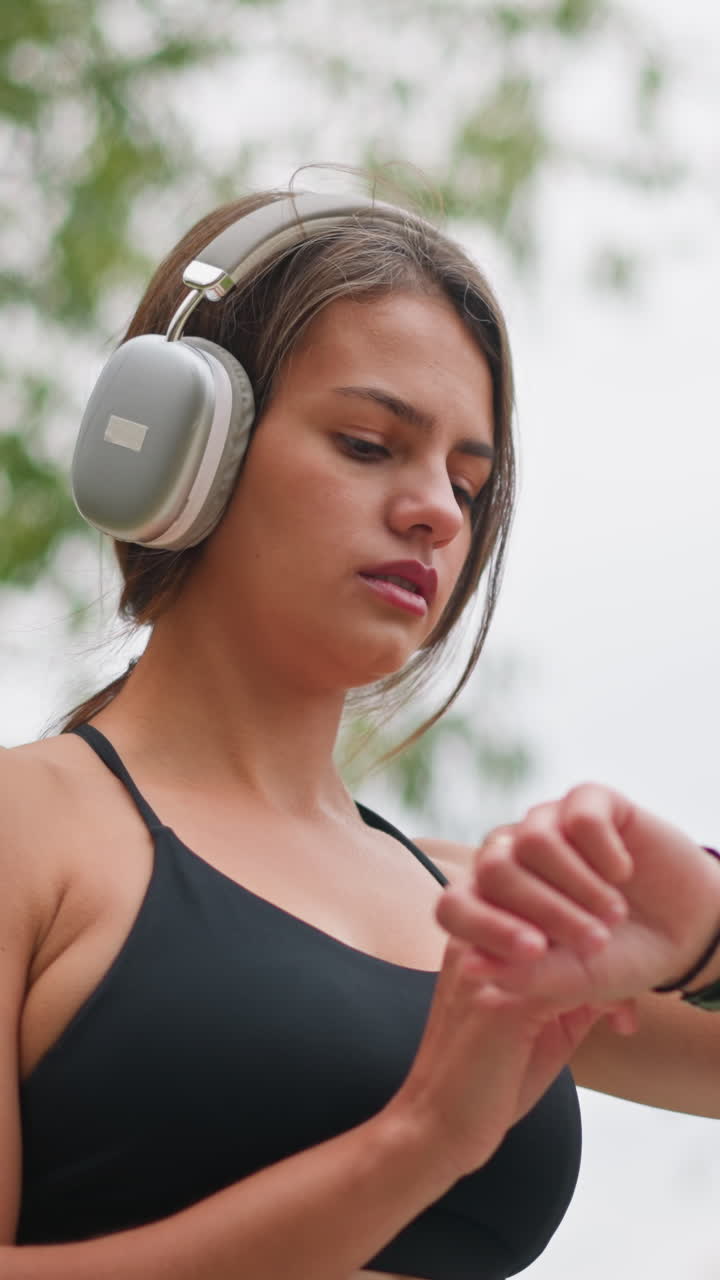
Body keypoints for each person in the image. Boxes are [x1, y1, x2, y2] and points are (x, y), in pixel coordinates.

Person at [1, 186, 718, 1280]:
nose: (437, 508)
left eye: (469, 483)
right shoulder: (29, 831)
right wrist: (416, 1143)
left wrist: (709, 926)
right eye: (368, 442)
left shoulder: (489, 909)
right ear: (184, 446)